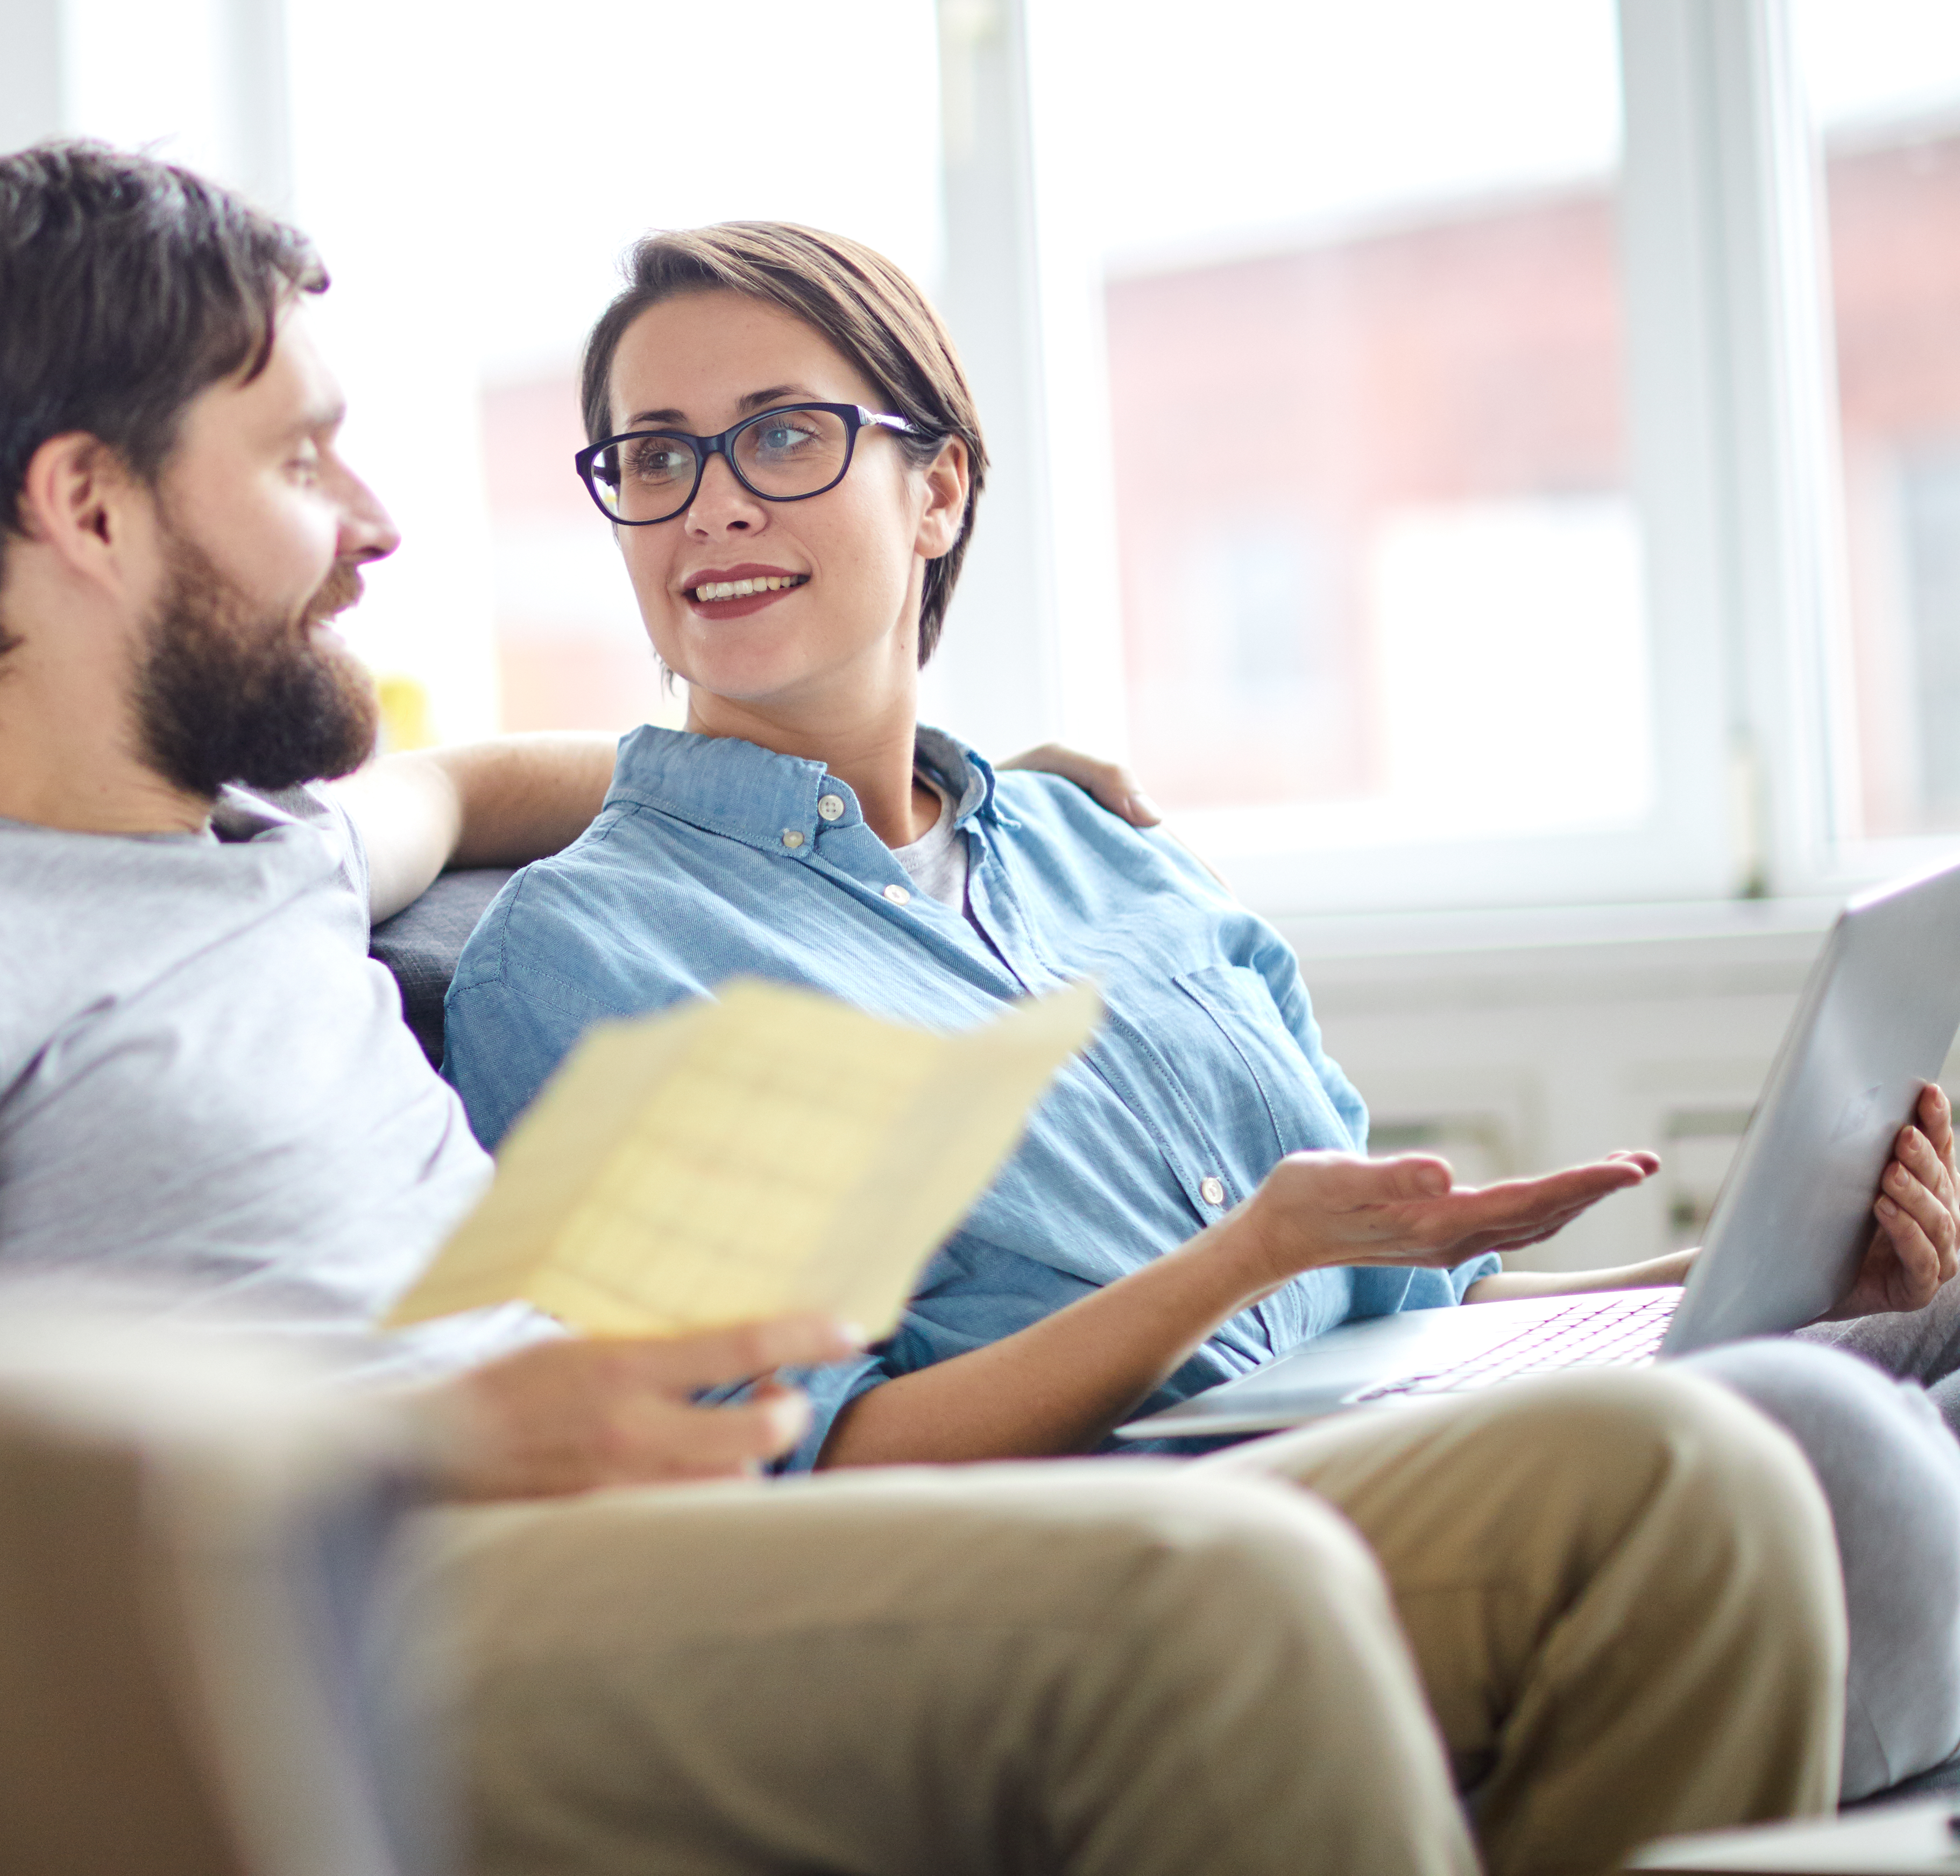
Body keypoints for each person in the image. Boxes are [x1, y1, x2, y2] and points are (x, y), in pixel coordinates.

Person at [0, 140, 1844, 1876]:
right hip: (366, 1611)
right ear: (85, 507)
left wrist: (999, 793)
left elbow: (522, 775)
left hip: (691, 1526)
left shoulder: (287, 858)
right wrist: (411, 1436)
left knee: (1681, 1497)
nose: (382, 525)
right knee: (1213, 1603)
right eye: (303, 458)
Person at [443, 215, 1960, 1797]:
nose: (715, 504)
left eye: (782, 435)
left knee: (1916, 1329)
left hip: (1389, 1445)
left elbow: (1397, 1334)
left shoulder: (1100, 851)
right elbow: (809, 1464)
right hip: (1130, 1549)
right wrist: (1242, 1258)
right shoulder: (595, 957)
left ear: (940, 487)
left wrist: (1766, 1270)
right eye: (656, 457)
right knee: (1825, 1445)